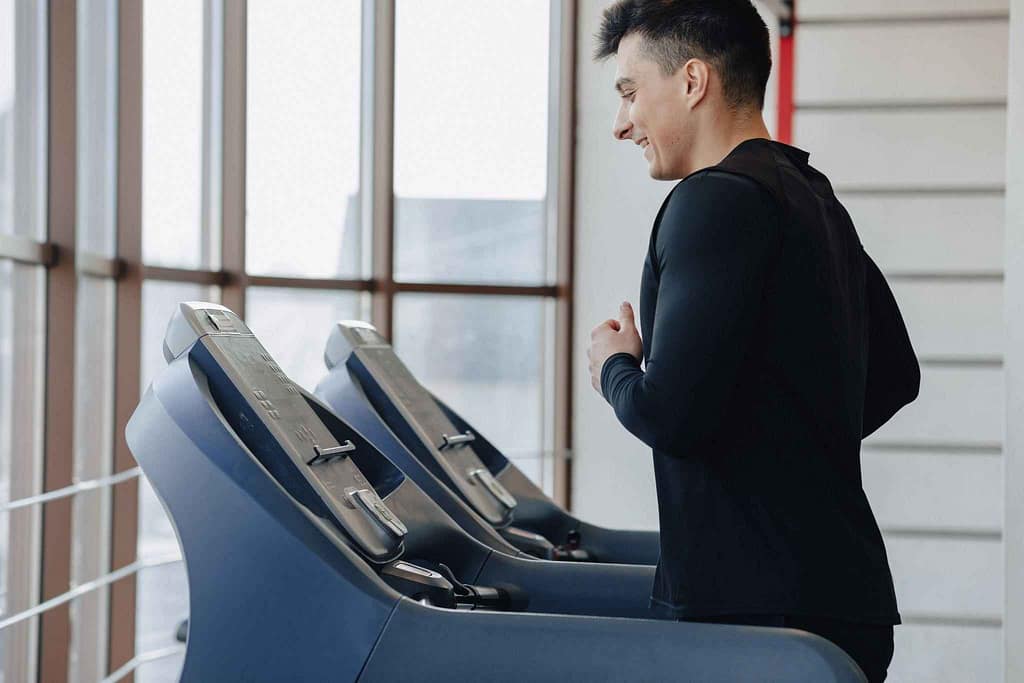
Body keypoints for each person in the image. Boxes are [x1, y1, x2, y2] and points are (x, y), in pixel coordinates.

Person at [584, 2, 920, 681]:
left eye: (629, 92)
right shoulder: (811, 193)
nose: (622, 124)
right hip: (841, 602)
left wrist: (614, 367)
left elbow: (668, 413)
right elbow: (895, 375)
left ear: (692, 81)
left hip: (759, 614)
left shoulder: (713, 200)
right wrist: (781, 441)